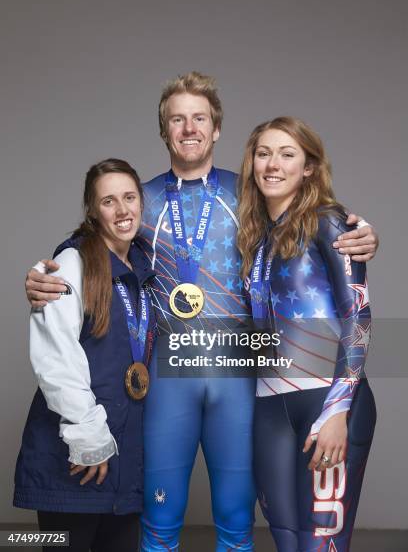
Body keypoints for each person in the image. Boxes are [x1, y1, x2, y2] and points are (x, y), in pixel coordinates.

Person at [24, 73, 379, 551]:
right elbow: (97, 235)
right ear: (164, 130)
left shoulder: (250, 194)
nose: (189, 128)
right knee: (160, 514)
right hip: (170, 370)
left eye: (200, 119)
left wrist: (357, 235)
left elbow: (305, 219)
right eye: (177, 119)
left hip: (241, 367)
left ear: (216, 130)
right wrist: (50, 270)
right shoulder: (141, 197)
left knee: (237, 515)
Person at [237, 117, 376, 552]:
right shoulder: (255, 237)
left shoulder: (330, 222)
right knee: (284, 537)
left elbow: (360, 318)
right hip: (269, 404)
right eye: (263, 153)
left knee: (322, 542)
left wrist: (338, 411)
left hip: (327, 402)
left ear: (310, 167)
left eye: (287, 153)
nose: (272, 164)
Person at [15, 159, 156, 552]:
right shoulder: (72, 263)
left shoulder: (144, 268)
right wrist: (88, 434)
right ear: (93, 211)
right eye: (109, 201)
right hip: (77, 458)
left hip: (123, 461)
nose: (123, 210)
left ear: (141, 203)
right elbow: (55, 353)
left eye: (129, 197)